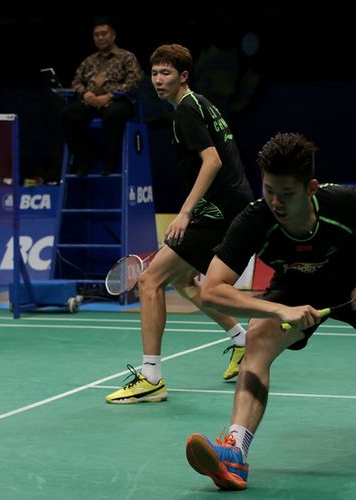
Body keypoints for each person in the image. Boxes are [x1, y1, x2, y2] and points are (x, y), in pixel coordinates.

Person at [184, 132, 356, 490]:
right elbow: (211, 291)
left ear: (310, 188)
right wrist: (279, 311)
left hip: (351, 281)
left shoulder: (342, 202)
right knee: (258, 343)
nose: (276, 202)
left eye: (287, 194)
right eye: (268, 190)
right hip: (296, 287)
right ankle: (235, 450)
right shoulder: (254, 221)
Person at [105, 44, 255, 404]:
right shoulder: (202, 104)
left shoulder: (186, 111)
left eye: (166, 73)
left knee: (149, 281)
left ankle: (151, 377)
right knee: (186, 282)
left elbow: (213, 161)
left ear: (183, 76)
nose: (158, 80)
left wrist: (186, 212)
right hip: (231, 207)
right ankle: (242, 341)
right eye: (154, 73)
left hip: (217, 211)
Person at [61, 18, 143, 175]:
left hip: (117, 100)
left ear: (113, 35)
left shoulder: (127, 57)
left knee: (113, 114)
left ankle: (111, 162)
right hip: (90, 101)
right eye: (96, 35)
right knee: (68, 114)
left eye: (103, 34)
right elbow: (76, 81)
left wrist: (111, 95)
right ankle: (84, 159)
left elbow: (134, 81)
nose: (100, 37)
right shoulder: (89, 60)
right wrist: (85, 93)